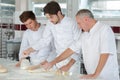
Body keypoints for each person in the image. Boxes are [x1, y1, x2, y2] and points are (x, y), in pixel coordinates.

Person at [43, 9, 120, 80]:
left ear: (86, 19)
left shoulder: (104, 30)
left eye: (79, 23)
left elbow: (105, 53)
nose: (79, 27)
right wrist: (53, 62)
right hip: (92, 76)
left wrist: (95, 74)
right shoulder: (84, 35)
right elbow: (71, 50)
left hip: (107, 76)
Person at [22, 1, 81, 73]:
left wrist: (68, 65)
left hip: (72, 63)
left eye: (51, 17)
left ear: (59, 13)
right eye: (48, 18)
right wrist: (30, 49)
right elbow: (45, 40)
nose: (50, 20)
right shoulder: (50, 24)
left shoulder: (72, 23)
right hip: (58, 60)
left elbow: (78, 47)